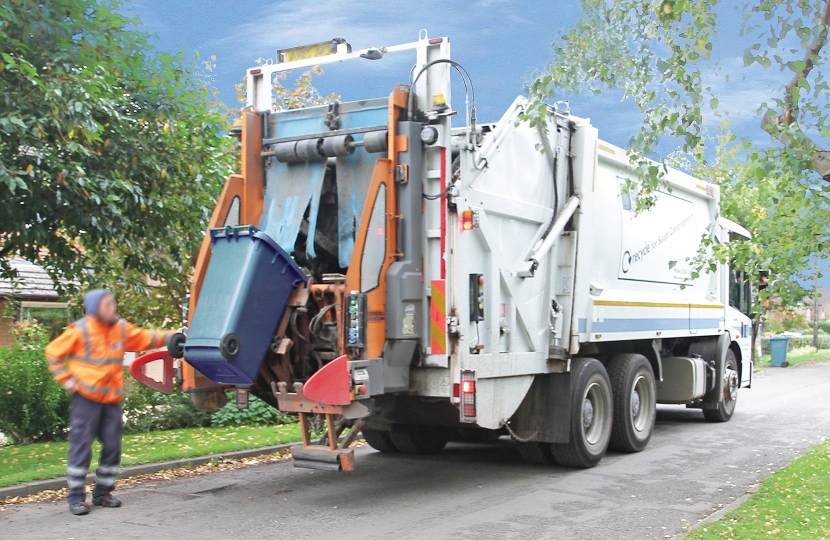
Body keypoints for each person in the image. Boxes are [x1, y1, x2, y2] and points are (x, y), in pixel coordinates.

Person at [46, 289, 174, 516]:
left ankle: (102, 493)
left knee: (113, 447)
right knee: (81, 448)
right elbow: (53, 352)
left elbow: (147, 337)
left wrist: (174, 335)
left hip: (111, 402)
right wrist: (66, 380)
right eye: (107, 304)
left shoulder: (121, 329)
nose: (112, 307)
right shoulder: (81, 330)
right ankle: (76, 499)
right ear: (95, 307)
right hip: (86, 400)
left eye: (112, 303)